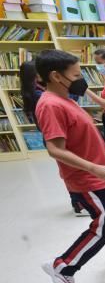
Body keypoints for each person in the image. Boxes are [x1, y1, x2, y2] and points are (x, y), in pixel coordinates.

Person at [35, 50, 105, 283]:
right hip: (88, 178)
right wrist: (94, 168)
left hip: (102, 173)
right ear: (56, 76)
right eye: (77, 74)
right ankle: (64, 266)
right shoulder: (50, 105)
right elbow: (54, 149)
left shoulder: (66, 99)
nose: (82, 79)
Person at [21, 60, 88, 217]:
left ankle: (79, 202)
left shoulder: (36, 91)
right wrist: (75, 91)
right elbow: (66, 102)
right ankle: (78, 203)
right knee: (71, 170)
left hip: (55, 133)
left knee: (70, 168)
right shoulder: (41, 96)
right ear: (35, 76)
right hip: (56, 135)